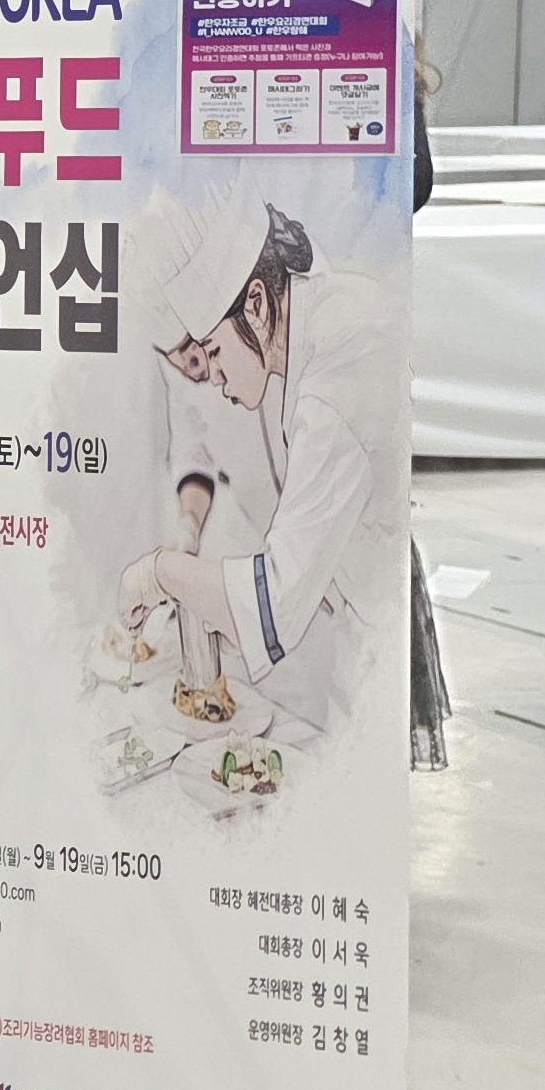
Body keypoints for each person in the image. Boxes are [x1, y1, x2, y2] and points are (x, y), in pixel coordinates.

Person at [141, 197, 402, 740]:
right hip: (311, 578)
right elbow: (194, 451)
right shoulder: (309, 325)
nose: (211, 377)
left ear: (256, 303)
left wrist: (158, 572)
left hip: (361, 603)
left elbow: (272, 601)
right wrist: (189, 535)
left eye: (212, 352)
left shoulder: (336, 368)